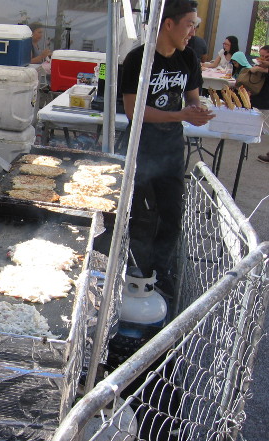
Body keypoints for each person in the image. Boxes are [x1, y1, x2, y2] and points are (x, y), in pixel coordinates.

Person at [120, 0, 214, 298]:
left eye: (195, 25)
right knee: (135, 215)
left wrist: (198, 112)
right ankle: (129, 269)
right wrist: (180, 115)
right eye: (189, 24)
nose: (193, 32)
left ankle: (162, 274)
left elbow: (193, 100)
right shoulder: (138, 59)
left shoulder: (188, 59)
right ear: (168, 24)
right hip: (140, 147)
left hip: (171, 148)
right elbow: (134, 111)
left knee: (171, 213)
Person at [250, 45, 269, 161]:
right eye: (261, 56)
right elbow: (252, 70)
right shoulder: (259, 65)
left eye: (266, 56)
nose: (262, 58)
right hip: (261, 97)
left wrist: (260, 68)